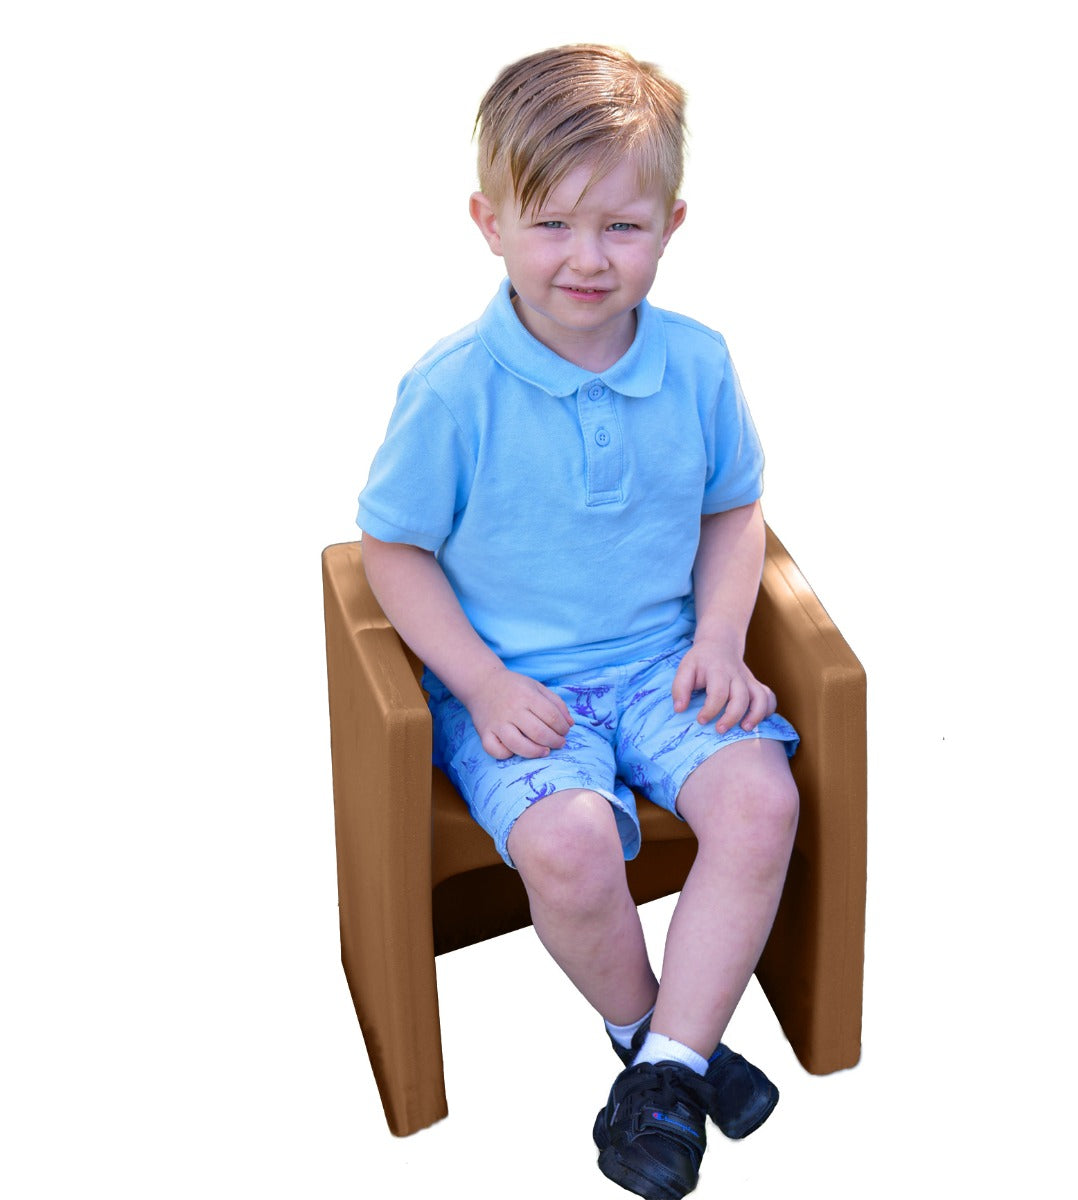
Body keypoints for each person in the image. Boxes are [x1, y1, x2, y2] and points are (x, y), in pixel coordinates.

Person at [356, 44, 801, 1200]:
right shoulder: (454, 389)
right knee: (567, 844)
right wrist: (484, 684)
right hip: (514, 679)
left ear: (673, 223)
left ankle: (661, 1070)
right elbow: (389, 550)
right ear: (488, 222)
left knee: (760, 802)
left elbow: (734, 508)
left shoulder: (697, 364)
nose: (589, 260)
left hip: (664, 660)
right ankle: (661, 1046)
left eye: (624, 227)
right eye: (552, 225)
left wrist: (719, 641)